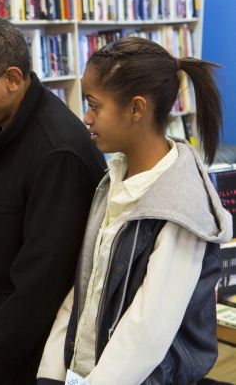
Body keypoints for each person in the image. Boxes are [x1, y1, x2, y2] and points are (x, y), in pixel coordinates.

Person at [37, 37, 233, 384]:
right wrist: (51, 372)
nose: (86, 117)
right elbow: (87, 286)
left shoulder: (179, 207)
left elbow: (147, 329)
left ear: (136, 108)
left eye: (94, 106)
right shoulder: (113, 181)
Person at [0, 15, 107, 384]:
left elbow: (40, 291)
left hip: (29, 359)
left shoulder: (56, 153)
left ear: (13, 79)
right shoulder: (3, 129)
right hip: (2, 336)